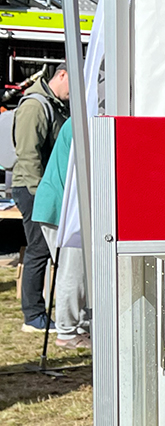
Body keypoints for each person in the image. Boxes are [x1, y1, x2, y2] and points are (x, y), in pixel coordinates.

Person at [11, 66, 70, 333]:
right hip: (33, 189)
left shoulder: (54, 105)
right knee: (39, 249)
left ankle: (37, 313)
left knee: (44, 250)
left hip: (45, 189)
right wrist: (39, 194)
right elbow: (28, 154)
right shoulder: (36, 106)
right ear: (62, 75)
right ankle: (33, 316)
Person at [33, 118, 90, 348]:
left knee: (81, 271)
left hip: (63, 206)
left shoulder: (81, 119)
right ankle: (66, 331)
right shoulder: (83, 121)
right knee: (73, 271)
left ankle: (81, 326)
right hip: (61, 208)